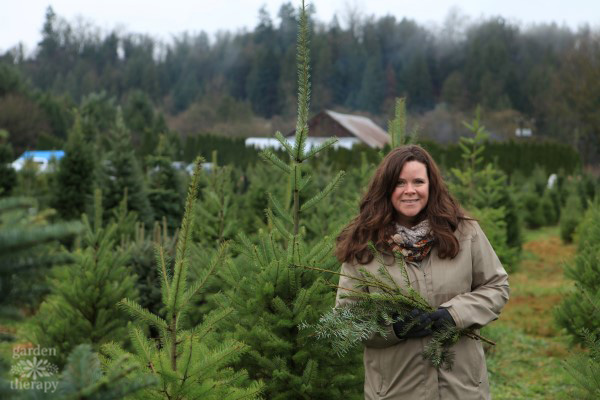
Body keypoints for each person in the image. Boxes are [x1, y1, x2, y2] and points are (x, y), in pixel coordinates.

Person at [335, 145, 509, 400]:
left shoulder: (464, 233)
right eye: (399, 183)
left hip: (461, 389)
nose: (410, 190)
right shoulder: (364, 246)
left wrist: (454, 315)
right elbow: (346, 319)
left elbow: (496, 287)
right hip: (396, 391)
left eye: (418, 181)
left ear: (431, 186)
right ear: (386, 189)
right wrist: (393, 328)